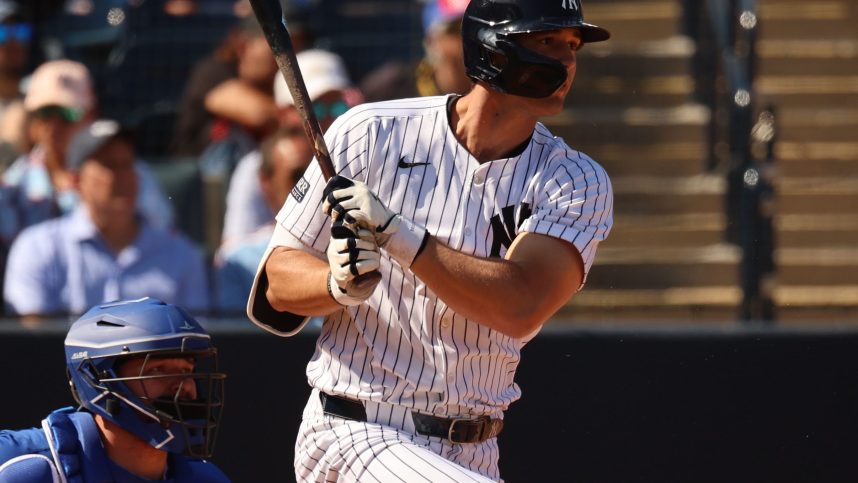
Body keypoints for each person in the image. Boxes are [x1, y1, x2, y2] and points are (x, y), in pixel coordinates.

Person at [246, 0, 614, 481]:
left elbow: (521, 303)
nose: (566, 62)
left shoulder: (576, 180)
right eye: (546, 42)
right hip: (356, 429)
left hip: (476, 448)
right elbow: (277, 281)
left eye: (572, 46)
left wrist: (398, 235)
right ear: (492, 51)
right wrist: (335, 283)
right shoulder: (371, 132)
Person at [0, 297, 229, 482]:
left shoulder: (205, 478)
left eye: (188, 370)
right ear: (100, 378)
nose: (185, 386)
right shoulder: (24, 466)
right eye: (159, 369)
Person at [3, 119, 209, 316]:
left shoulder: (181, 254)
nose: (122, 176)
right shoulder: (37, 247)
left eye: (127, 164)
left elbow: (196, 338)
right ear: (76, 179)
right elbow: (32, 339)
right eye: (108, 165)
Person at [1, 59, 175, 235]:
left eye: (68, 114)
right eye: (45, 113)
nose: (54, 126)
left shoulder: (131, 176)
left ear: (92, 115)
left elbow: (161, 243)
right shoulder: (12, 185)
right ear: (32, 122)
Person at [219, 48, 358, 248]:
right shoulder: (253, 168)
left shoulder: (362, 157)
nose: (329, 119)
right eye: (316, 109)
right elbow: (234, 252)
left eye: (337, 107)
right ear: (285, 114)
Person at [214, 125, 312, 313]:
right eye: (299, 176)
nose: (313, 186)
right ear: (266, 183)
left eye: (316, 175)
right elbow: (237, 338)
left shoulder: (354, 247)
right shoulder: (236, 261)